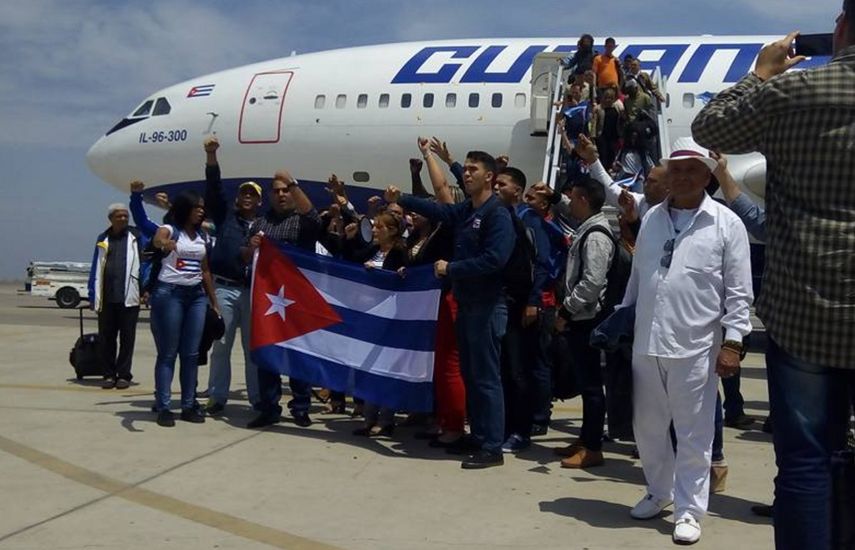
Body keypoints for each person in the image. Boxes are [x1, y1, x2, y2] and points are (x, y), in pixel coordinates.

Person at [692, 21, 855, 547]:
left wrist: (759, 73)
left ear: (843, 30)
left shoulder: (793, 91)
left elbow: (710, 129)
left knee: (806, 460)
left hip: (804, 310)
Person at [619, 137, 752, 545]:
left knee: (694, 434)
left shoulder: (726, 224)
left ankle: (690, 510)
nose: (680, 177)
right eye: (674, 170)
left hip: (696, 347)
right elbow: (639, 279)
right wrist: (622, 322)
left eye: (690, 169)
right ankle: (659, 492)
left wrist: (732, 342)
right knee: (648, 428)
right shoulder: (653, 219)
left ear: (707, 176)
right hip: (647, 343)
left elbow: (738, 291)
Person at [385, 150, 515, 469]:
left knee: (486, 378)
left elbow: (495, 259)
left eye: (473, 170)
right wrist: (402, 198)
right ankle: (480, 435)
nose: (466, 174)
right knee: (471, 374)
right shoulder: (468, 210)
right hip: (468, 305)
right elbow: (437, 209)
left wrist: (452, 269)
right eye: (465, 169)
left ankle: (492, 446)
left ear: (490, 177)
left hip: (486, 305)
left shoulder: (497, 214)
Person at [242, 171, 322, 429]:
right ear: (270, 196)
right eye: (276, 191)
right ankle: (269, 407)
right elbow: (243, 257)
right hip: (267, 300)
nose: (281, 194)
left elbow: (315, 219)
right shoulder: (259, 224)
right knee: (267, 354)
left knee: (299, 354)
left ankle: (300, 407)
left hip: (297, 298)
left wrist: (294, 183)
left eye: (285, 190)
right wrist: (251, 247)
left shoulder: (301, 222)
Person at [552, 175, 616, 469]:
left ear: (584, 200)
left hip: (587, 319)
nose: (569, 203)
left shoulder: (597, 236)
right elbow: (565, 207)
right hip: (582, 316)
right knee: (585, 380)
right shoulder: (587, 227)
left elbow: (592, 283)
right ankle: (585, 438)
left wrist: (566, 311)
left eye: (572, 198)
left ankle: (593, 447)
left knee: (591, 386)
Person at [200, 137, 263, 415]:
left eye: (253, 194)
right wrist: (211, 155)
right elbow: (213, 189)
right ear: (238, 198)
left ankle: (258, 399)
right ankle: (217, 396)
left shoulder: (265, 225)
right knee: (221, 345)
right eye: (244, 194)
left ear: (260, 201)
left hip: (253, 292)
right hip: (224, 288)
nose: (247, 197)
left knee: (253, 350)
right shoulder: (226, 217)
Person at [492, 167, 553, 453]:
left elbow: (542, 263)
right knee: (503, 368)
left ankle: (522, 430)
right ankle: (504, 425)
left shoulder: (529, 219)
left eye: (501, 184)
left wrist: (533, 300)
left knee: (520, 370)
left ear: (517, 190)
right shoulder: (497, 216)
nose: (495, 188)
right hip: (499, 301)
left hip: (521, 305)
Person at [150, 191, 220, 427]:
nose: (201, 211)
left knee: (191, 354)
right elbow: (157, 239)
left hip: (196, 296)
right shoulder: (171, 230)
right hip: (170, 293)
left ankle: (188, 405)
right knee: (168, 353)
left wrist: (214, 302)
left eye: (202, 207)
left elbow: (206, 270)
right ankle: (164, 407)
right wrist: (163, 245)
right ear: (184, 209)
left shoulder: (202, 236)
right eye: (196, 207)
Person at [343, 212, 408, 436]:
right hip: (367, 316)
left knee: (385, 369)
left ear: (391, 231)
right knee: (367, 367)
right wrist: (350, 238)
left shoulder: (400, 253)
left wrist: (385, 273)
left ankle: (386, 418)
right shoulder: (373, 250)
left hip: (389, 318)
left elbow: (406, 277)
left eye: (379, 227)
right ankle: (368, 418)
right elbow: (350, 259)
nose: (375, 230)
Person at [87, 203, 145, 390]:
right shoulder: (102, 238)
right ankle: (108, 374)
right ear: (111, 218)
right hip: (107, 297)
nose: (123, 219)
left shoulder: (136, 236)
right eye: (119, 216)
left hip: (129, 296)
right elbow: (95, 266)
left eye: (125, 216)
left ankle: (124, 375)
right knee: (107, 338)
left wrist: (145, 289)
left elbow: (144, 264)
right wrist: (91, 293)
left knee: (127, 339)